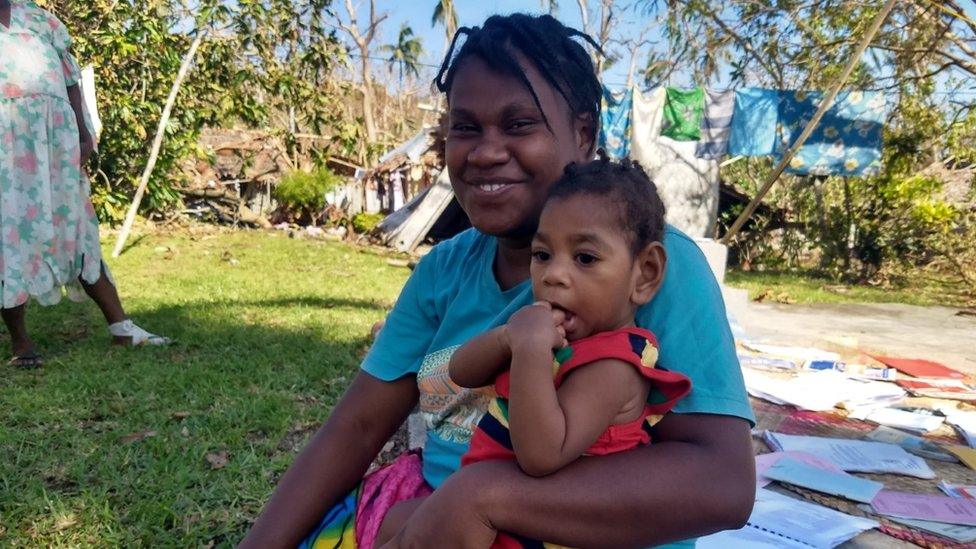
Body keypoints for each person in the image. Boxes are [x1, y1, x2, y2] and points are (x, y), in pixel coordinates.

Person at [242, 13, 755, 549]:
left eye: (518, 125)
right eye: (465, 128)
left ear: (583, 134)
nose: (485, 152)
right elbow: (356, 428)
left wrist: (484, 499)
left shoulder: (649, 270)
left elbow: (721, 484)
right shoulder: (445, 269)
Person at [376, 157, 695, 548]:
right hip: (488, 503)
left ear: (644, 274)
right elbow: (461, 372)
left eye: (585, 258)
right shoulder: (547, 337)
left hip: (537, 528)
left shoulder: (615, 364)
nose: (553, 275)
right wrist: (507, 338)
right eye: (542, 254)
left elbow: (542, 455)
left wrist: (528, 350)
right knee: (397, 523)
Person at [0, 0, 169, 367]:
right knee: (7, 231)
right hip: (5, 146)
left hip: (55, 140)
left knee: (76, 226)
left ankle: (122, 327)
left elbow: (71, 79)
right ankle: (22, 343)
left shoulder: (39, 18)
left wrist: (82, 130)